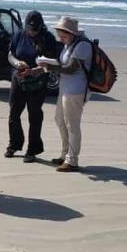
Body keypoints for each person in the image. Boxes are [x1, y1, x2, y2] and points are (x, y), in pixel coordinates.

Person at [5, 10, 59, 163]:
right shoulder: (19, 35)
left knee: (34, 115)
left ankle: (32, 149)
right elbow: (10, 55)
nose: (32, 32)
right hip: (19, 78)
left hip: (38, 82)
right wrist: (17, 63)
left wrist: (36, 70)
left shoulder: (48, 38)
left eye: (35, 29)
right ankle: (14, 144)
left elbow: (54, 63)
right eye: (30, 29)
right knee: (14, 113)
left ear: (41, 26)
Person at [39, 17, 92, 172]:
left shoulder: (83, 45)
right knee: (60, 120)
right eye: (59, 35)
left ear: (71, 33)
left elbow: (71, 68)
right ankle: (65, 154)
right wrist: (43, 67)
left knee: (72, 125)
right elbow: (63, 64)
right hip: (65, 88)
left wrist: (49, 67)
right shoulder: (70, 44)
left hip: (76, 91)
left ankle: (72, 161)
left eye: (63, 36)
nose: (60, 39)